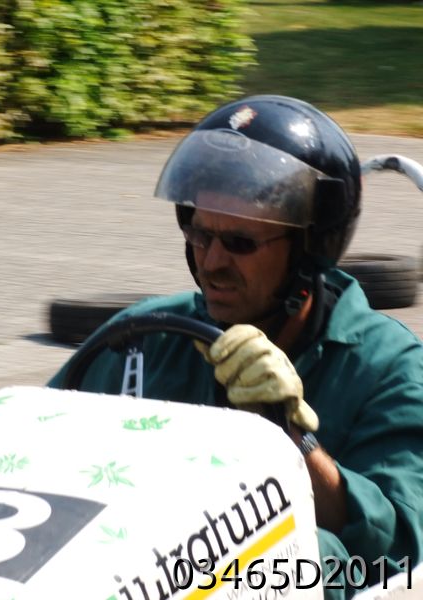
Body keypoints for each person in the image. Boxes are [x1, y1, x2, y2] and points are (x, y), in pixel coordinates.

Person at [48, 95, 423, 598]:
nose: (212, 262)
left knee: (296, 552)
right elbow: (25, 443)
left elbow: (392, 558)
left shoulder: (391, 368)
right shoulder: (140, 337)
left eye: (240, 243)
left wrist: (289, 435)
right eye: (199, 233)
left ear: (309, 248)